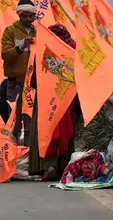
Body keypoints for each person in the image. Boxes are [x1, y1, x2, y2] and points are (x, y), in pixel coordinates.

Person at [28, 24, 81, 181]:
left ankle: (44, 166)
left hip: (46, 100)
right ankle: (64, 167)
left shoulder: (46, 48)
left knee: (45, 131)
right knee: (65, 131)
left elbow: (35, 80)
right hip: (66, 97)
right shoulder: (73, 49)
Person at [0, 0, 37, 147]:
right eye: (24, 15)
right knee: (13, 122)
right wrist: (21, 47)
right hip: (14, 83)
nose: (28, 19)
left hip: (32, 85)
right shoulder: (10, 31)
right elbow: (6, 55)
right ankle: (11, 156)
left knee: (30, 122)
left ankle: (28, 158)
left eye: (30, 16)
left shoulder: (39, 32)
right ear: (19, 15)